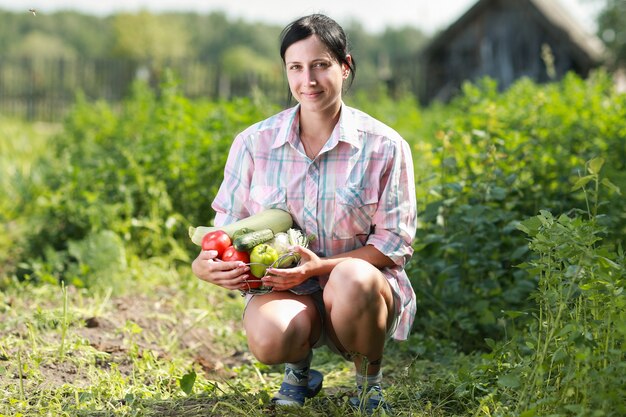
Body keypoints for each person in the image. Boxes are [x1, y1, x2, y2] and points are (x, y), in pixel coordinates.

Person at [191, 13, 417, 414]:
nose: (307, 81)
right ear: (286, 71)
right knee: (270, 339)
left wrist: (319, 268)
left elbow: (393, 244)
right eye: (296, 67)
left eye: (320, 65)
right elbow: (228, 226)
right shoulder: (254, 143)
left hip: (359, 289)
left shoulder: (385, 146)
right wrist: (205, 264)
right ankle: (299, 371)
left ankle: (368, 385)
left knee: (352, 277)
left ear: (345, 67)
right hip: (283, 287)